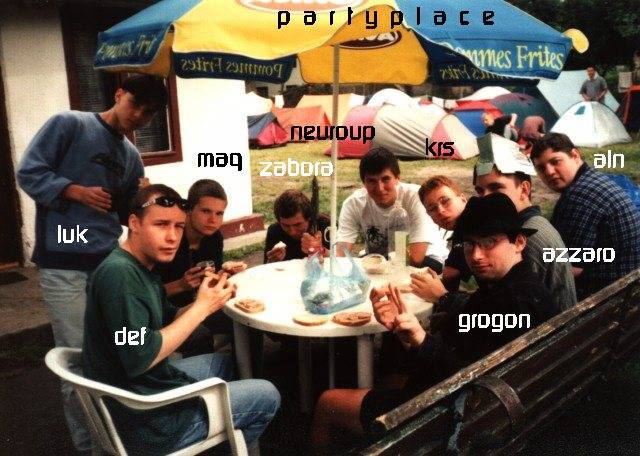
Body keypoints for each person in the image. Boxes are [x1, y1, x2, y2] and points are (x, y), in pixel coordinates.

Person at [311, 193, 556, 454]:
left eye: (489, 242)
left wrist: (421, 339)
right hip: (481, 407)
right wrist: (403, 330)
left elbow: (466, 377)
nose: (476, 255)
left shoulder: (512, 301)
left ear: (519, 242)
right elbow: (465, 351)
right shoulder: (512, 287)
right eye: (470, 244)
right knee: (388, 377)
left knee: (327, 402)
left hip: (451, 418)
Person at [15, 74, 167, 452]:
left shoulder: (131, 156)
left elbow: (125, 212)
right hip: (64, 264)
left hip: (107, 263)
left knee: (115, 351)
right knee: (78, 362)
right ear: (118, 94)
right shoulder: (70, 124)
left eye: (148, 113)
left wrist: (145, 199)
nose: (139, 116)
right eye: (135, 104)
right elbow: (29, 171)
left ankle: (117, 438)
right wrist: (74, 191)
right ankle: (90, 448)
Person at [82, 184, 280, 455]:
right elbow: (140, 356)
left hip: (146, 386)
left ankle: (219, 436)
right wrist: (201, 308)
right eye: (161, 224)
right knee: (267, 394)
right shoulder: (120, 276)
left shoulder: (139, 267)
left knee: (223, 364)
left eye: (178, 226)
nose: (172, 236)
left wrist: (211, 301)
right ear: (134, 223)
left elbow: (170, 316)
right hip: (144, 417)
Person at [531, 133, 640, 299]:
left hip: (613, 295)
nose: (549, 172)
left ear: (575, 155)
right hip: (627, 284)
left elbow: (567, 266)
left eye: (555, 162)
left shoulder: (582, 194)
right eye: (541, 168)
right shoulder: (591, 179)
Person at [473, 164, 577, 312]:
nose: (485, 198)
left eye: (496, 188)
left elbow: (513, 305)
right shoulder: (531, 223)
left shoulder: (527, 237)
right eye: (480, 191)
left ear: (524, 189)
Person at [336, 147, 448, 270]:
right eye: (372, 181)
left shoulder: (416, 197)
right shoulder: (353, 203)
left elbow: (415, 258)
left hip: (426, 259)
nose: (380, 188)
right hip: (382, 260)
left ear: (397, 178)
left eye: (385, 179)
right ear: (364, 183)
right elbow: (341, 252)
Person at [154, 179, 231, 356]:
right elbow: (144, 294)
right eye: (206, 211)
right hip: (165, 314)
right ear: (189, 209)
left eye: (219, 213)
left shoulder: (214, 238)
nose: (213, 220)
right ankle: (206, 370)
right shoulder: (169, 239)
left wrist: (224, 275)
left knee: (241, 317)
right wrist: (180, 285)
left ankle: (249, 369)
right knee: (200, 335)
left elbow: (211, 278)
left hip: (198, 304)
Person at [418, 175, 470, 291]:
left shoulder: (478, 228)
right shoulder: (460, 233)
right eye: (432, 208)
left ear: (463, 199)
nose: (440, 211)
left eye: (445, 201)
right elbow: (449, 274)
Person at [264, 189, 330, 263]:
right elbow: (266, 266)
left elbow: (339, 258)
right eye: (285, 225)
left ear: (309, 218)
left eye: (298, 225)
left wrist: (320, 250)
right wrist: (272, 261)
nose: (293, 232)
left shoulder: (326, 225)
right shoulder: (274, 231)